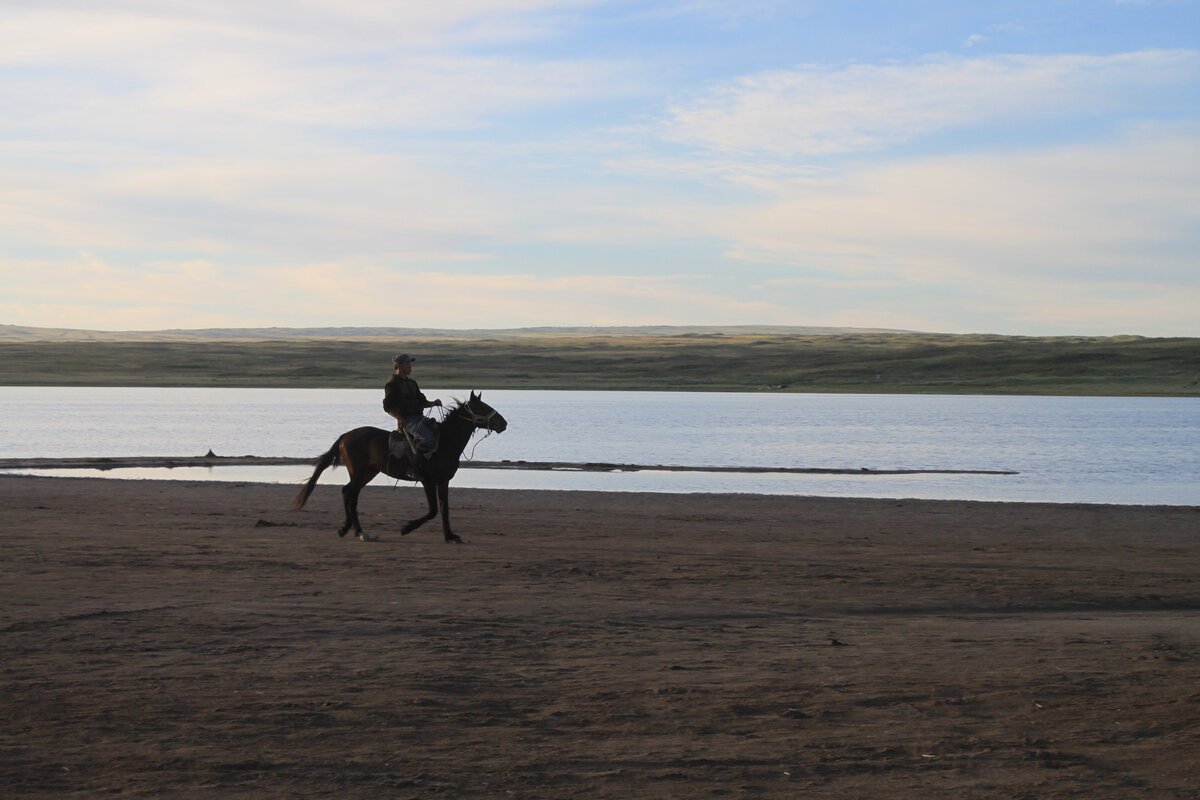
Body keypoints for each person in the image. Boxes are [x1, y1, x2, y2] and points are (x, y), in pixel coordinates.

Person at [383, 353, 442, 476]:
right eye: (407, 364)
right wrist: (399, 418)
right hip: (408, 421)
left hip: (419, 418)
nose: (410, 366)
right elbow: (388, 407)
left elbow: (422, 401)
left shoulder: (412, 383)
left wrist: (433, 403)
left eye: (410, 364)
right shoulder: (392, 383)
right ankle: (413, 469)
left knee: (439, 429)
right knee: (427, 438)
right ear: (398, 365)